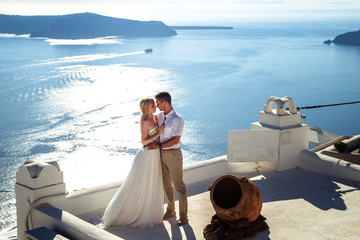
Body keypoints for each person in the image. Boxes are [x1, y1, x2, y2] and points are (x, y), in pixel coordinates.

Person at [99, 97, 165, 229]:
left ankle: (151, 211)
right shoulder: (145, 121)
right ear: (147, 108)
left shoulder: (156, 118)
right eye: (153, 105)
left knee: (153, 183)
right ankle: (135, 212)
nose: (155, 107)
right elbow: (144, 141)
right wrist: (158, 133)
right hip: (148, 155)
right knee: (144, 184)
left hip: (156, 154)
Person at [155, 91, 188, 226]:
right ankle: (170, 210)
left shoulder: (178, 119)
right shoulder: (160, 116)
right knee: (166, 184)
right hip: (162, 154)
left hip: (173, 154)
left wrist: (160, 146)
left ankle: (183, 215)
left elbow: (176, 139)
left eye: (158, 103)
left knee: (179, 185)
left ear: (165, 103)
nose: (156, 106)